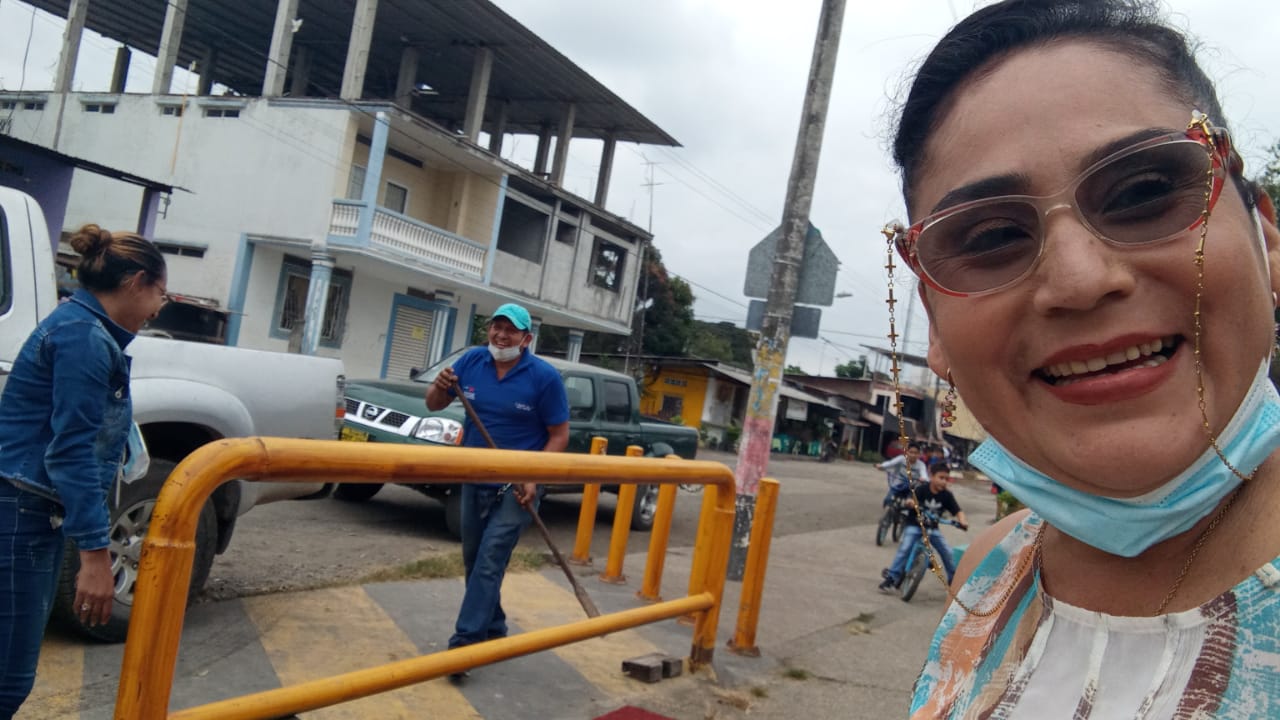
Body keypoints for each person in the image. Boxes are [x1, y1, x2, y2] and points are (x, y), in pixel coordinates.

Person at [881, 0, 1280, 715]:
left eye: (1145, 192)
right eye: (991, 237)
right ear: (935, 325)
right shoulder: (989, 575)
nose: (1079, 280)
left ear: (1266, 239)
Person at [0, 224, 166, 716]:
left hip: (22, 508)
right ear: (135, 282)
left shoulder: (80, 328)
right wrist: (96, 557)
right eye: (160, 293)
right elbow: (70, 452)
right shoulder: (84, 339)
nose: (159, 308)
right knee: (7, 681)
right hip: (23, 514)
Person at [425, 302, 569, 682]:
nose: (501, 336)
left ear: (526, 338)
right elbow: (434, 404)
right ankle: (493, 625)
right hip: (473, 478)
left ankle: (464, 646)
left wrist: (533, 476)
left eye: (511, 330)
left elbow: (559, 435)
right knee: (474, 560)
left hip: (517, 486)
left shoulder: (544, 378)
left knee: (489, 561)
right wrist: (439, 386)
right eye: (496, 327)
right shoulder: (472, 361)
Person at [877, 462, 968, 593]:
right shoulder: (921, 489)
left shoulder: (947, 495)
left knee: (947, 552)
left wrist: (963, 521)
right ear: (931, 476)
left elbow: (958, 511)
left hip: (933, 529)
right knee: (905, 548)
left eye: (946, 479)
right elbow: (911, 499)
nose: (944, 481)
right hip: (914, 525)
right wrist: (910, 502)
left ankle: (953, 581)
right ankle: (891, 578)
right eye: (941, 477)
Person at [875, 441, 926, 508]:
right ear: (906, 452)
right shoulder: (901, 459)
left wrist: (923, 478)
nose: (913, 455)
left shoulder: (921, 465)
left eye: (916, 453)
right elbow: (891, 463)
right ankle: (887, 503)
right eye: (911, 452)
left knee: (913, 501)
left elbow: (924, 473)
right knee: (889, 499)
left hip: (912, 484)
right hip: (900, 481)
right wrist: (881, 466)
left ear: (919, 454)